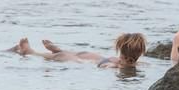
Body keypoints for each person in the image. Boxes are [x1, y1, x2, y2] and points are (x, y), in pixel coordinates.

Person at [13, 33, 146, 68]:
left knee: (62, 56)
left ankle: (32, 52)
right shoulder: (127, 63)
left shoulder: (115, 65)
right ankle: (56, 50)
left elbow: (106, 66)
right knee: (74, 54)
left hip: (87, 60)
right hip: (94, 58)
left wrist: (111, 66)